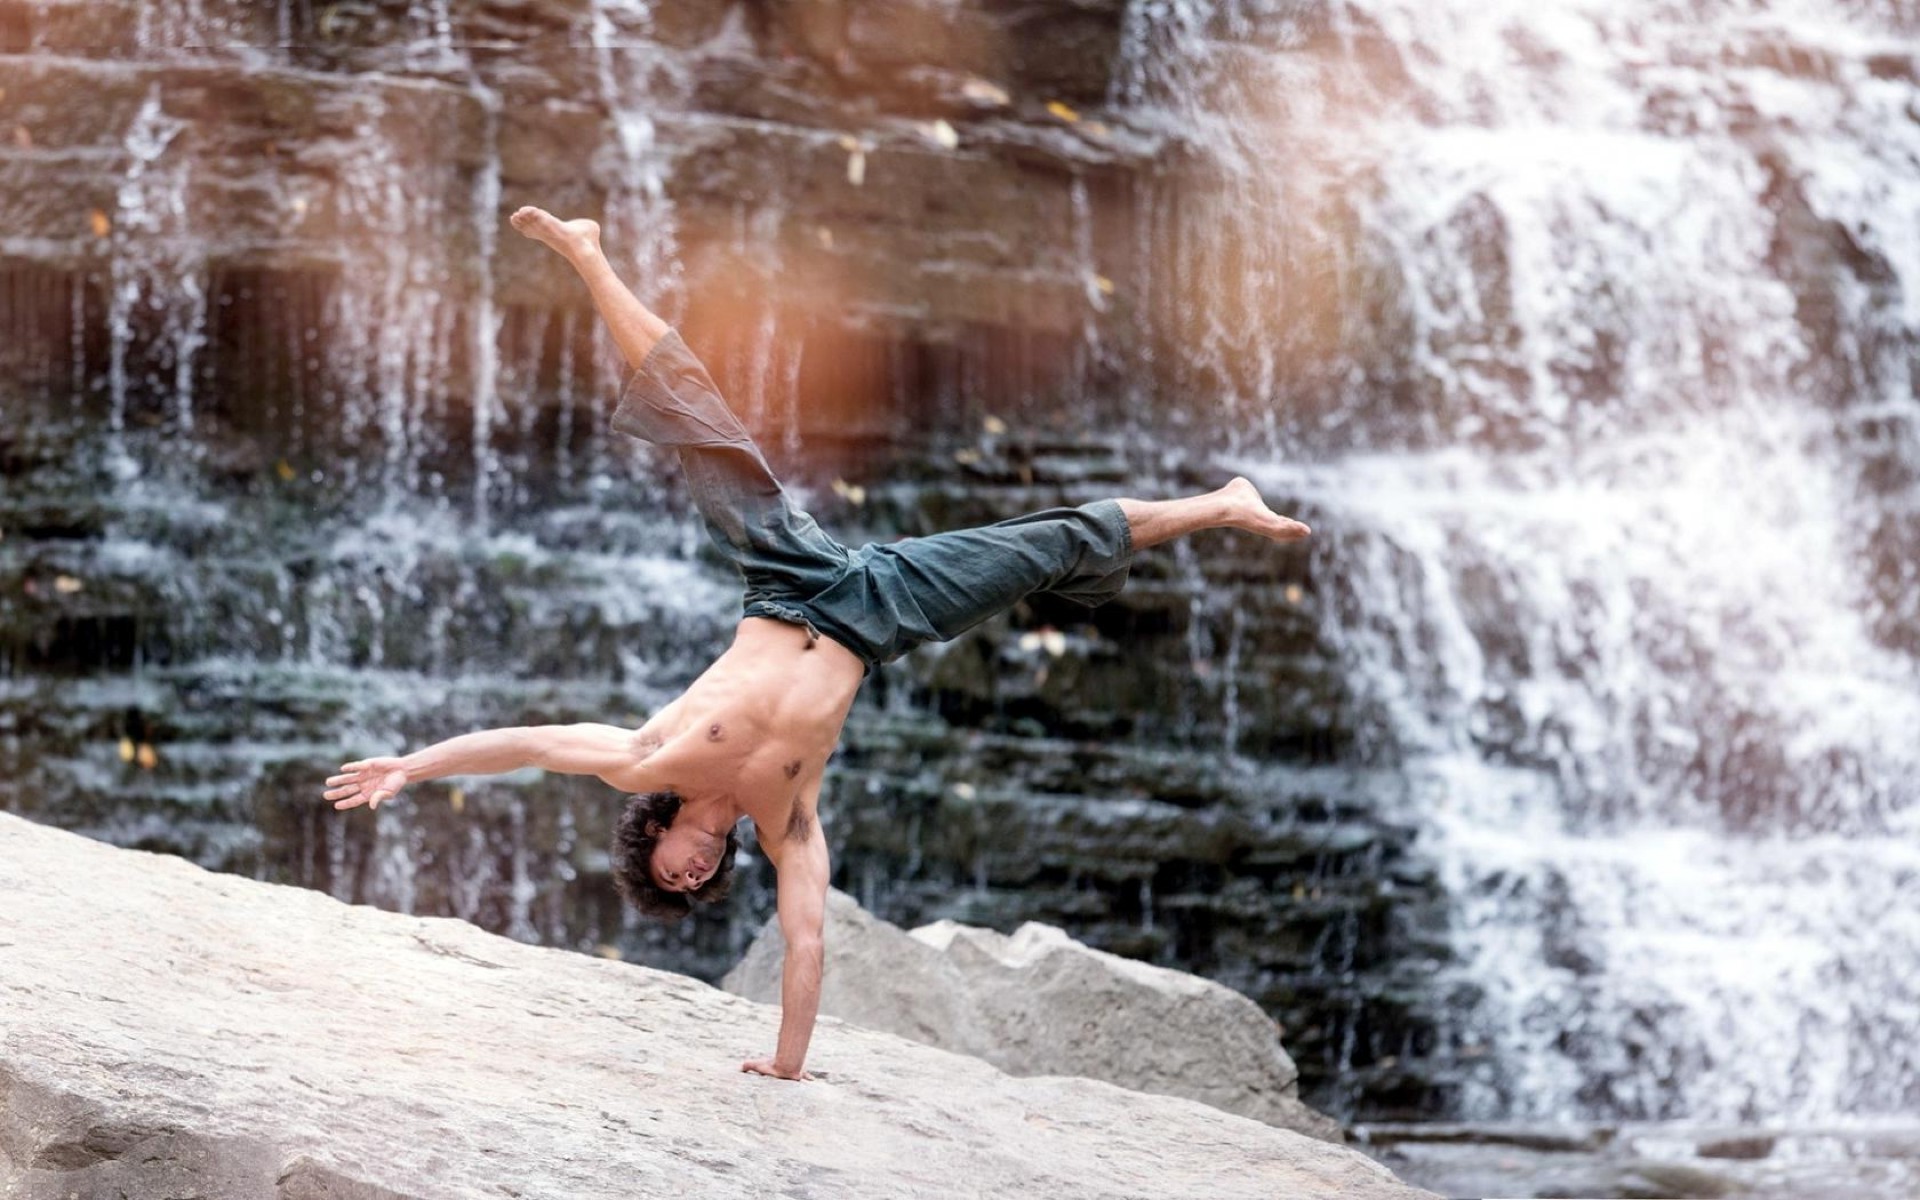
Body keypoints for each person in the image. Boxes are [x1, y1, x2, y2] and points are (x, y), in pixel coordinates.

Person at [325, 206, 1312, 1082]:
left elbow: (530, 742)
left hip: (789, 576)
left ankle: (587, 256)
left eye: (671, 870)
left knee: (694, 413)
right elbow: (806, 941)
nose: (691, 874)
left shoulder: (645, 760)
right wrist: (787, 1065)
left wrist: (412, 765)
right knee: (1044, 548)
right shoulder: (786, 819)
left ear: (656, 835)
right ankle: (1223, 504)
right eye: (697, 886)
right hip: (877, 615)